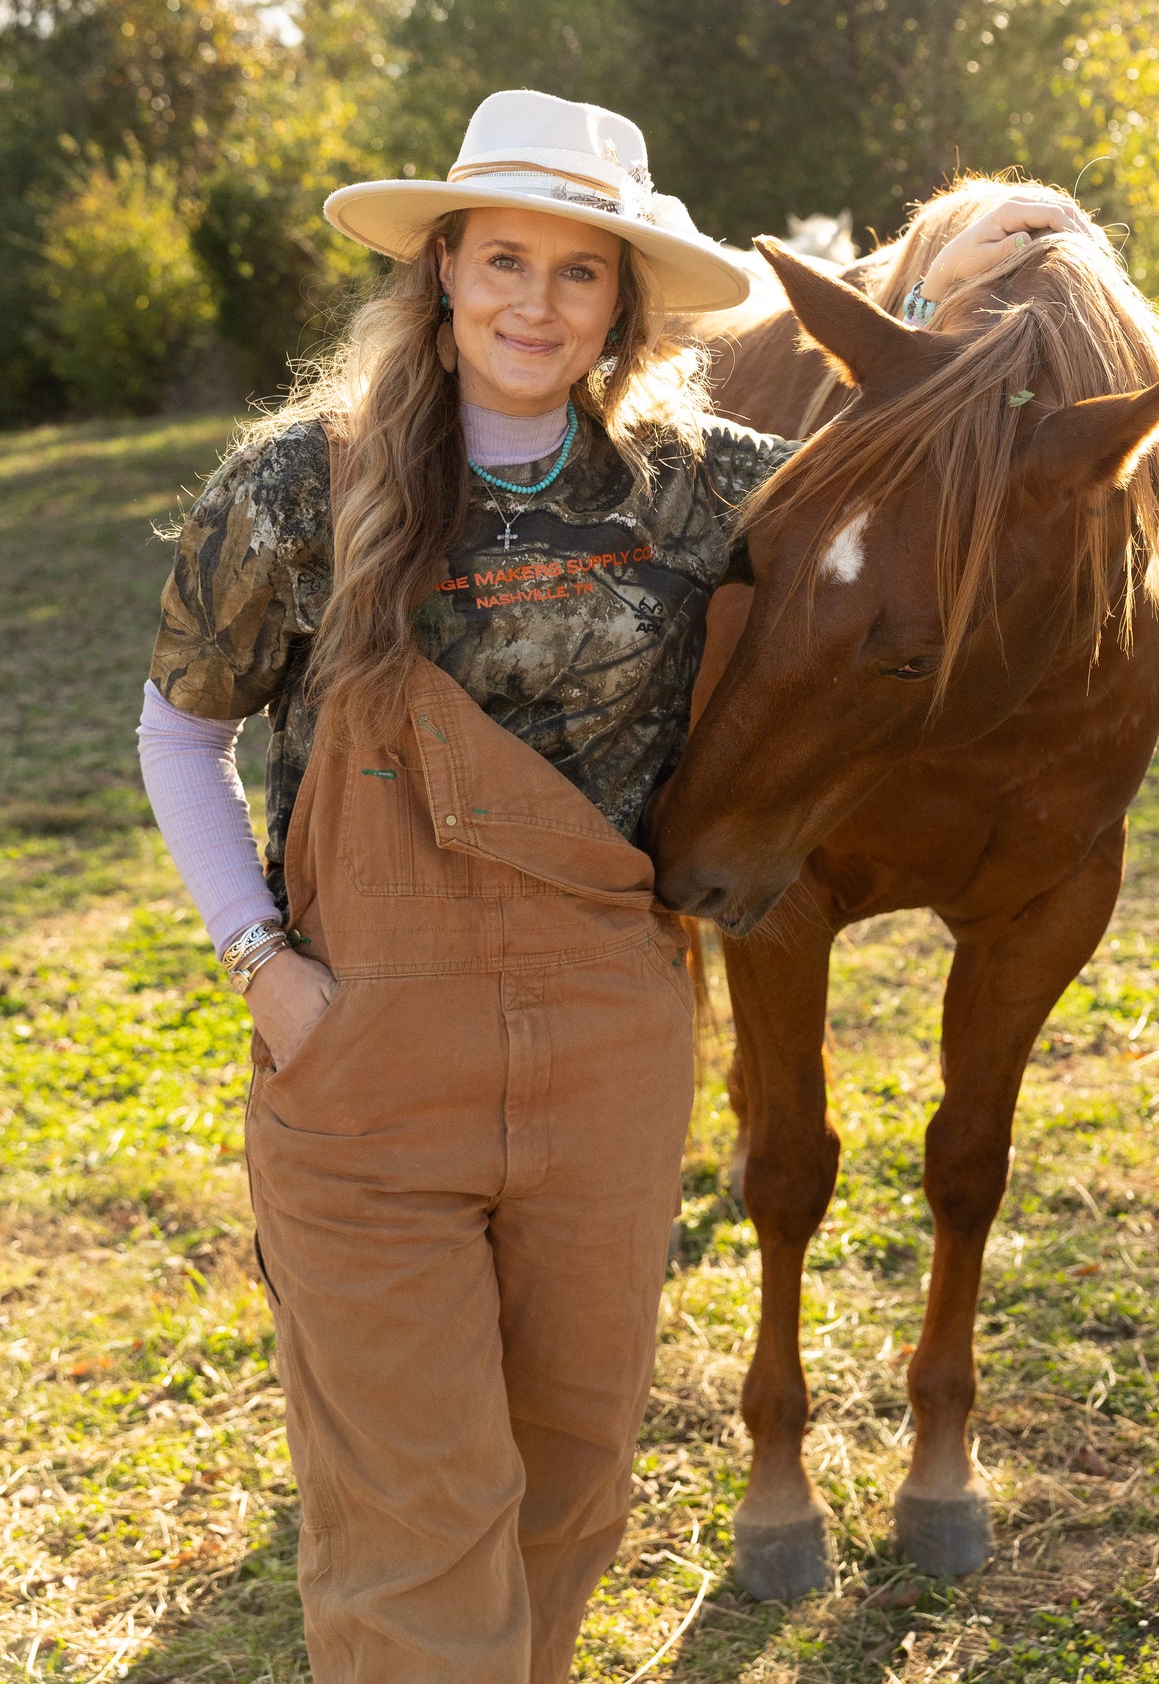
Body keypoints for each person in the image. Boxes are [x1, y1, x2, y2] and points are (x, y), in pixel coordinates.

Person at [136, 91, 1089, 1682]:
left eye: (581, 274)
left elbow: (915, 478)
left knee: (570, 1490)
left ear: (624, 303)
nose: (534, 302)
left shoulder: (709, 485)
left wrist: (953, 293)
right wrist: (266, 966)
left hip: (604, 1046)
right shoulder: (301, 483)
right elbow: (180, 735)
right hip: (367, 1049)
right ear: (438, 270)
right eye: (501, 258)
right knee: (417, 1516)